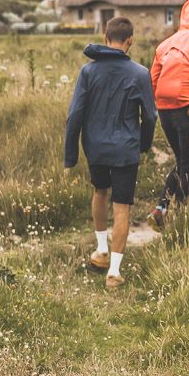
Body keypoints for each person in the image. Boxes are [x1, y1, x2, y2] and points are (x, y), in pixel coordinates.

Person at [64, 15, 157, 289]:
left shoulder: (88, 72)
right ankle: (114, 272)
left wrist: (70, 155)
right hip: (125, 149)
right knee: (122, 207)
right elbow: (150, 117)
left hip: (96, 148)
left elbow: (74, 115)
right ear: (130, 41)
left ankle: (101, 251)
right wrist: (144, 145)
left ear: (106, 38)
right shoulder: (140, 74)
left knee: (100, 191)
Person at [147, 0, 189, 231]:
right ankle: (181, 220)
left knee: (181, 161)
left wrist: (159, 103)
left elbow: (152, 78)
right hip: (187, 109)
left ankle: (161, 208)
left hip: (165, 109)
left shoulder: (165, 44)